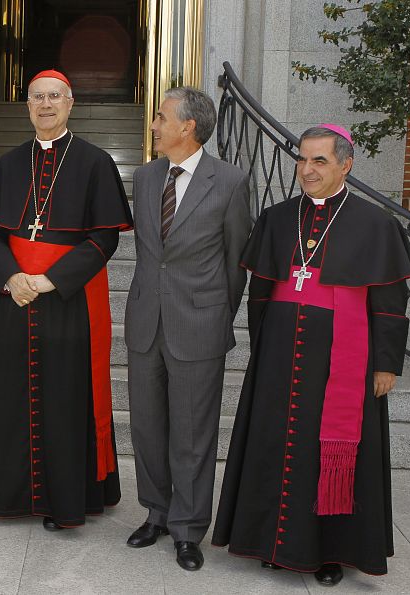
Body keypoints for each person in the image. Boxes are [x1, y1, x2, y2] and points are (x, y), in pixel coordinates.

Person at [211, 125, 410, 586]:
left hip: (342, 356)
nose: (307, 170)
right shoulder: (277, 218)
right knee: (275, 442)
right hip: (280, 354)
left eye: (319, 161)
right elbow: (260, 294)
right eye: (302, 160)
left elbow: (389, 301)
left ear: (346, 165)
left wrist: (386, 363)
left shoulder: (375, 224)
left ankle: (328, 552)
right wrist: (262, 347)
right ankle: (270, 541)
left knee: (326, 451)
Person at [0, 69, 133, 529]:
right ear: (27, 106)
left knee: (65, 397)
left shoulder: (95, 162)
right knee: (11, 396)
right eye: (37, 97)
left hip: (68, 299)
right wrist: (11, 277)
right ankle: (11, 492)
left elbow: (104, 238)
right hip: (15, 298)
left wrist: (51, 280)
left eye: (54, 97)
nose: (45, 104)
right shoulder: (9, 163)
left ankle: (64, 498)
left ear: (70, 103)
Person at [124, 87, 251, 571]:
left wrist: (216, 315)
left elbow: (237, 260)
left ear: (187, 127)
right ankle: (156, 512)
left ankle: (188, 527)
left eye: (160, 117)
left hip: (199, 325)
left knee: (193, 433)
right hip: (145, 324)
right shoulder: (146, 175)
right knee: (147, 427)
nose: (153, 125)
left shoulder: (232, 181)